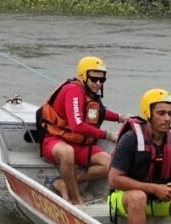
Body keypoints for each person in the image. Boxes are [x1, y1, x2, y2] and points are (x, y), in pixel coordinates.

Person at [107, 89, 171, 224]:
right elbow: (113, 179)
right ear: (148, 114)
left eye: (170, 114)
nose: (167, 118)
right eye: (161, 113)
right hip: (125, 198)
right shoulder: (130, 139)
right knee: (138, 198)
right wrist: (154, 188)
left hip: (160, 200)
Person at [39, 55, 125, 206]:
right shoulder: (73, 90)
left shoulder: (89, 93)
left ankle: (64, 183)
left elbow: (99, 112)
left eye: (102, 80)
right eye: (94, 79)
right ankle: (76, 199)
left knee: (111, 164)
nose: (98, 83)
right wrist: (108, 135)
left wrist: (121, 117)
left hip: (79, 145)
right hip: (55, 141)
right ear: (83, 76)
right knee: (67, 152)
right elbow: (77, 126)